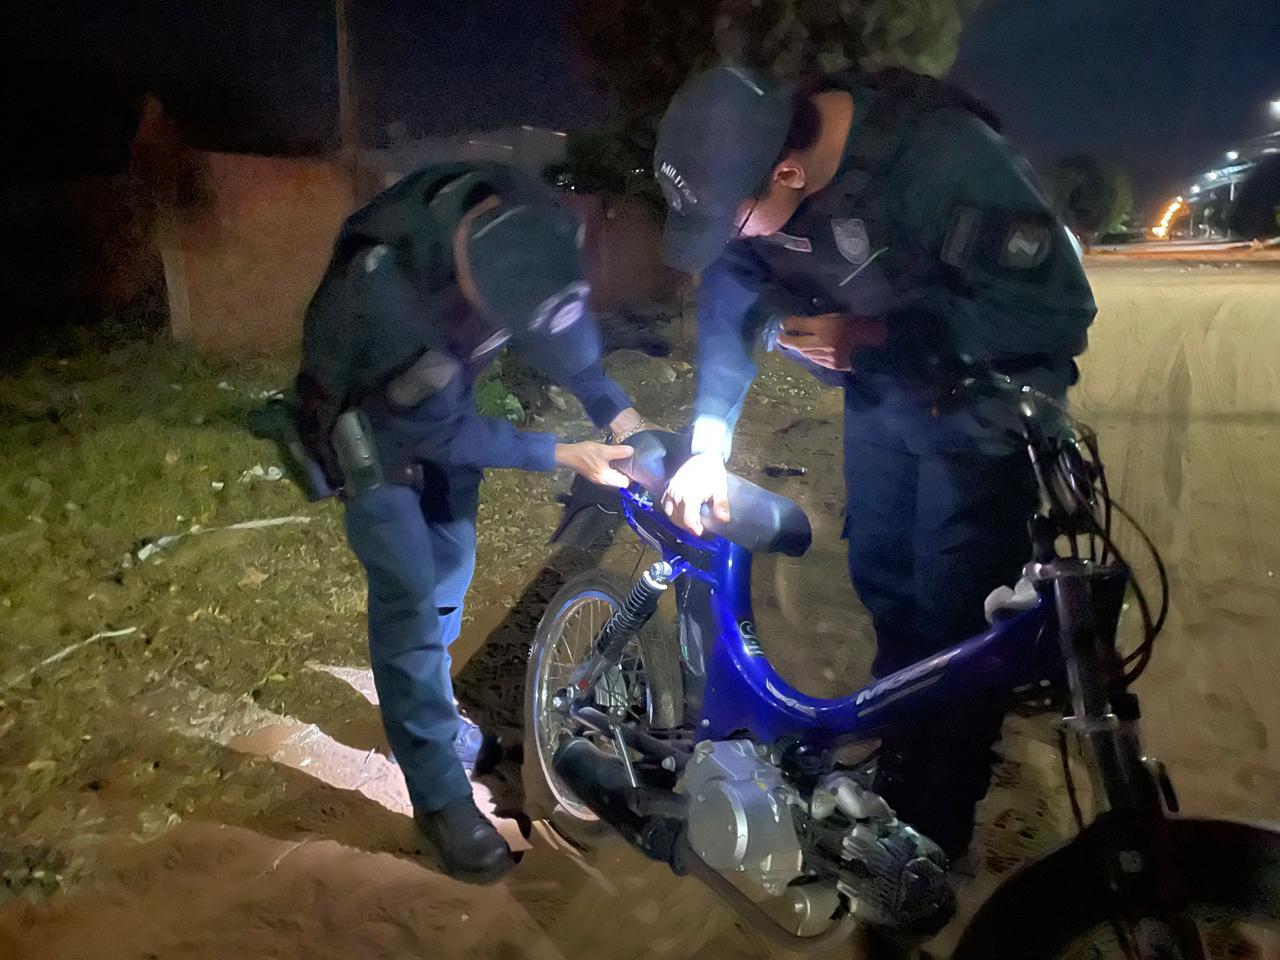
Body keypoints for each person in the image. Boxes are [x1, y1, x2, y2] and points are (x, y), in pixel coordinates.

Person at [653, 66, 1096, 858]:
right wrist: (709, 446)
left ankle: (936, 830)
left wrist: (873, 338)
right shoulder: (758, 181)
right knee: (888, 583)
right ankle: (899, 759)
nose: (739, 235)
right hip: (886, 399)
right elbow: (729, 300)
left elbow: (1052, 313)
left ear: (787, 171)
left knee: (958, 614)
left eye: (740, 218)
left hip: (985, 406)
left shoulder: (943, 161)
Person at [295, 162, 645, 883]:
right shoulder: (392, 300)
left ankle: (426, 705)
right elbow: (441, 434)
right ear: (471, 280)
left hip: (439, 403)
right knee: (410, 591)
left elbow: (558, 324)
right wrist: (561, 452)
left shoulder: (525, 218)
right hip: (372, 425)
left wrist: (618, 410)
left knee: (454, 560)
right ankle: (438, 796)